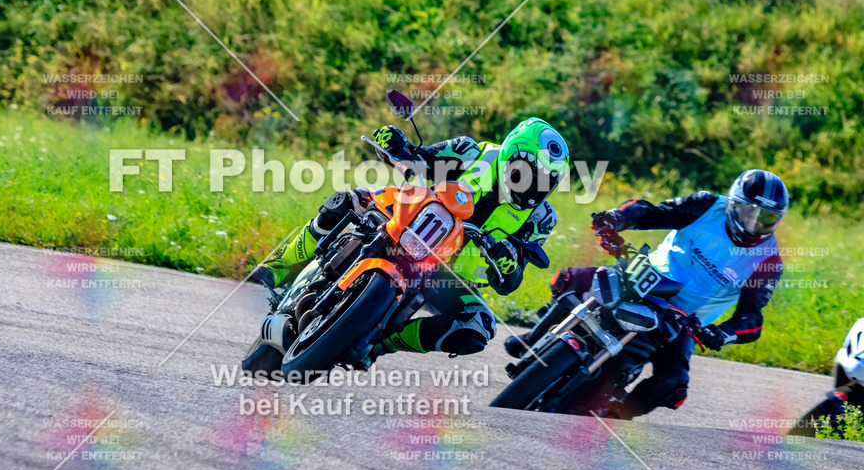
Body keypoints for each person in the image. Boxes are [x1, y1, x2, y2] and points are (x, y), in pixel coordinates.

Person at [251, 117, 571, 365]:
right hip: (412, 216)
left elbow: (511, 282)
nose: (532, 184)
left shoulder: (541, 219)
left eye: (544, 180)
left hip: (447, 273)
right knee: (348, 201)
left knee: (479, 325)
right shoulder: (470, 152)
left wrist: (507, 262)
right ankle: (280, 264)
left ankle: (381, 344)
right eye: (527, 171)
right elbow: (421, 158)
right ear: (511, 154)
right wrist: (398, 144)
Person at [507, 169, 788, 418]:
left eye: (766, 219)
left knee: (673, 386)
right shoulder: (706, 205)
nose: (754, 224)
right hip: (646, 277)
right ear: (732, 203)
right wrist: (617, 218)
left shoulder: (768, 261)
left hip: (684, 322)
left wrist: (721, 333)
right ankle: (533, 339)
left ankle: (614, 415)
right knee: (568, 279)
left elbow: (753, 319)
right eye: (749, 213)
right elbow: (650, 211)